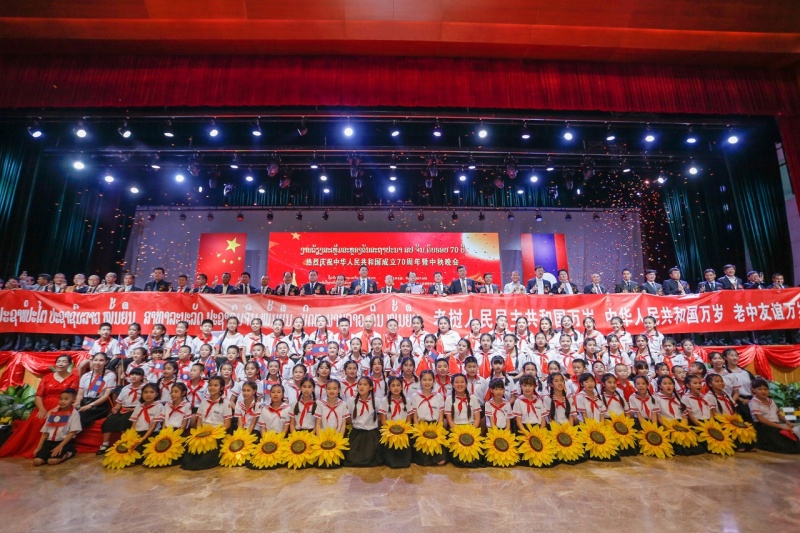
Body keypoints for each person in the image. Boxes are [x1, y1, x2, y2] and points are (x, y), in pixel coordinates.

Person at [0, 354, 79, 458]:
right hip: (44, 405)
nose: (61, 364)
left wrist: (54, 410)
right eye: (58, 361)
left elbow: (70, 397)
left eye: (64, 361)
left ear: (69, 364)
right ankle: (32, 448)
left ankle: (49, 449)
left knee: (47, 421)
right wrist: (42, 410)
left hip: (63, 405)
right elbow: (38, 395)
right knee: (35, 420)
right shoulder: (47, 377)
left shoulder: (74, 378)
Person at [98, 367, 146, 454]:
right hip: (124, 408)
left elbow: (146, 403)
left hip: (138, 410)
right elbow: (119, 403)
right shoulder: (125, 388)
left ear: (142, 377)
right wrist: (115, 408)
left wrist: (133, 409)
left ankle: (125, 443)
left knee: (124, 420)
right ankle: (105, 444)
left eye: (137, 374)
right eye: (132, 374)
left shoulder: (144, 388)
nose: (134, 376)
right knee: (110, 420)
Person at [749, 377, 800, 454]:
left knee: (795, 442)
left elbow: (778, 414)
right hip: (763, 428)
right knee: (785, 446)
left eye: (765, 389)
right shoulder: (753, 402)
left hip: (775, 426)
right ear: (753, 390)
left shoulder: (771, 401)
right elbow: (761, 419)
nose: (763, 391)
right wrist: (780, 426)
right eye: (760, 389)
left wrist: (787, 422)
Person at [32, 388, 81, 466]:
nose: (62, 401)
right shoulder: (53, 413)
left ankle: (69, 453)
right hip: (49, 442)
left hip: (63, 442)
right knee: (37, 461)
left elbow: (72, 432)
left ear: (74, 400)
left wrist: (60, 446)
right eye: (61, 399)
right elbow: (45, 432)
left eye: (66, 399)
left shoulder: (74, 414)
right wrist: (39, 447)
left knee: (52, 461)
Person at [344, 377, 381, 467]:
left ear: (370, 387)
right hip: (356, 433)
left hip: (371, 433)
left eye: (365, 384)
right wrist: (355, 423)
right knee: (352, 458)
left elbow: (380, 415)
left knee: (369, 458)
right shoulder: (352, 400)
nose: (362, 387)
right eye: (360, 384)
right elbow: (347, 416)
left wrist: (372, 423)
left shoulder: (376, 400)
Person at [378, 376, 414, 468]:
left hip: (403, 430)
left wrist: (403, 430)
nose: (396, 388)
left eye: (398, 385)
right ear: (389, 388)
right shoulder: (384, 401)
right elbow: (383, 421)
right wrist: (392, 430)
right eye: (393, 386)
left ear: (402, 387)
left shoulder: (407, 401)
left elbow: (409, 420)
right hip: (389, 431)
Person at [75, 352, 116, 430]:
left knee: (79, 417)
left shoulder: (110, 375)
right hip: (84, 401)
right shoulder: (85, 376)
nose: (97, 363)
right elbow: (80, 393)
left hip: (99, 405)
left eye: (101, 360)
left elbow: (106, 395)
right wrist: (77, 402)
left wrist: (91, 405)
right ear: (92, 361)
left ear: (106, 362)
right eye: (95, 360)